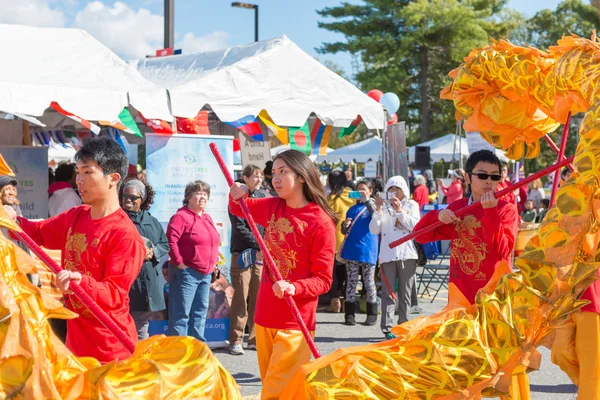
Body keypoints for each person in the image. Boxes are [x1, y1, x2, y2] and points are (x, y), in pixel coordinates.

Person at [7, 137, 145, 363]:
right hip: (74, 345)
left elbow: (114, 294)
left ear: (114, 178)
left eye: (88, 173)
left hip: (109, 349)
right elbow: (39, 233)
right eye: (78, 172)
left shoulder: (124, 234)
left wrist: (80, 281)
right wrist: (13, 220)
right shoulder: (77, 215)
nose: (79, 180)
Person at [228, 150, 336, 400]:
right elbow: (239, 208)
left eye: (283, 172)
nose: (275, 178)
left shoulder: (320, 222)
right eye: (273, 173)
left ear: (301, 176)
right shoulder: (274, 206)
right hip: (265, 315)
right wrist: (238, 192)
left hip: (295, 322)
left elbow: (324, 280)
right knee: (283, 389)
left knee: (275, 392)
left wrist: (294, 288)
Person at [414, 149, 518, 303]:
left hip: (494, 298)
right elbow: (420, 236)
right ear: (467, 177)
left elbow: (502, 253)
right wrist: (437, 215)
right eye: (482, 175)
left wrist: (490, 213)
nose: (489, 181)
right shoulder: (459, 208)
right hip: (461, 297)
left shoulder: (506, 209)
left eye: (495, 176)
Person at [166, 180, 220, 342]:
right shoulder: (181, 217)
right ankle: (178, 351)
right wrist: (180, 263)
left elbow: (213, 241)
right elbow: (171, 240)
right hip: (187, 272)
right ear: (189, 197)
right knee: (181, 314)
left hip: (205, 273)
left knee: (200, 312)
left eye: (205, 194)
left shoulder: (207, 217)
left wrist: (213, 265)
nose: (202, 197)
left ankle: (196, 350)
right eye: (198, 193)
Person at [369, 176, 421, 340]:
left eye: (396, 189)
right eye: (390, 189)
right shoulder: (383, 207)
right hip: (387, 255)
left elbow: (416, 227)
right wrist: (377, 211)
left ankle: (403, 326)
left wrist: (400, 212)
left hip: (407, 255)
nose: (393, 193)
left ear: (403, 190)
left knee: (405, 293)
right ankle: (387, 328)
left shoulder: (412, 205)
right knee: (388, 293)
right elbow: (374, 230)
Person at [121, 179, 169, 341]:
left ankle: (138, 358)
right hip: (127, 280)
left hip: (147, 281)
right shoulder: (117, 219)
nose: (128, 199)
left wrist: (153, 252)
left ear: (142, 199)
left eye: (133, 197)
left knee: (142, 324)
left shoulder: (152, 221)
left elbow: (164, 244)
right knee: (126, 323)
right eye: (125, 196)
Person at [228, 164, 268, 355]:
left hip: (260, 255)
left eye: (260, 176)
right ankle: (236, 339)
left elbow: (267, 223)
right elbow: (240, 227)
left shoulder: (262, 197)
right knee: (240, 297)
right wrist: (259, 245)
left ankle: (253, 338)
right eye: (255, 176)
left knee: (258, 297)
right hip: (242, 253)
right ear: (245, 178)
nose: (259, 180)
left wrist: (265, 245)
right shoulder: (237, 195)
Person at [340, 179, 378, 326]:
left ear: (370, 191)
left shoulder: (373, 207)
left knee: (369, 282)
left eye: (363, 190)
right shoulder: (351, 209)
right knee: (351, 282)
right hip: (351, 250)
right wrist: (344, 226)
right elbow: (345, 231)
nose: (360, 193)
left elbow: (376, 216)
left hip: (368, 250)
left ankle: (372, 313)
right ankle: (349, 314)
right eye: (358, 190)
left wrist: (367, 200)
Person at [327, 170, 355, 313]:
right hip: (350, 239)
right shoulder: (352, 195)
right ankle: (346, 300)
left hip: (333, 240)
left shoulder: (330, 199)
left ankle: (334, 300)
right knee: (347, 271)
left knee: (333, 273)